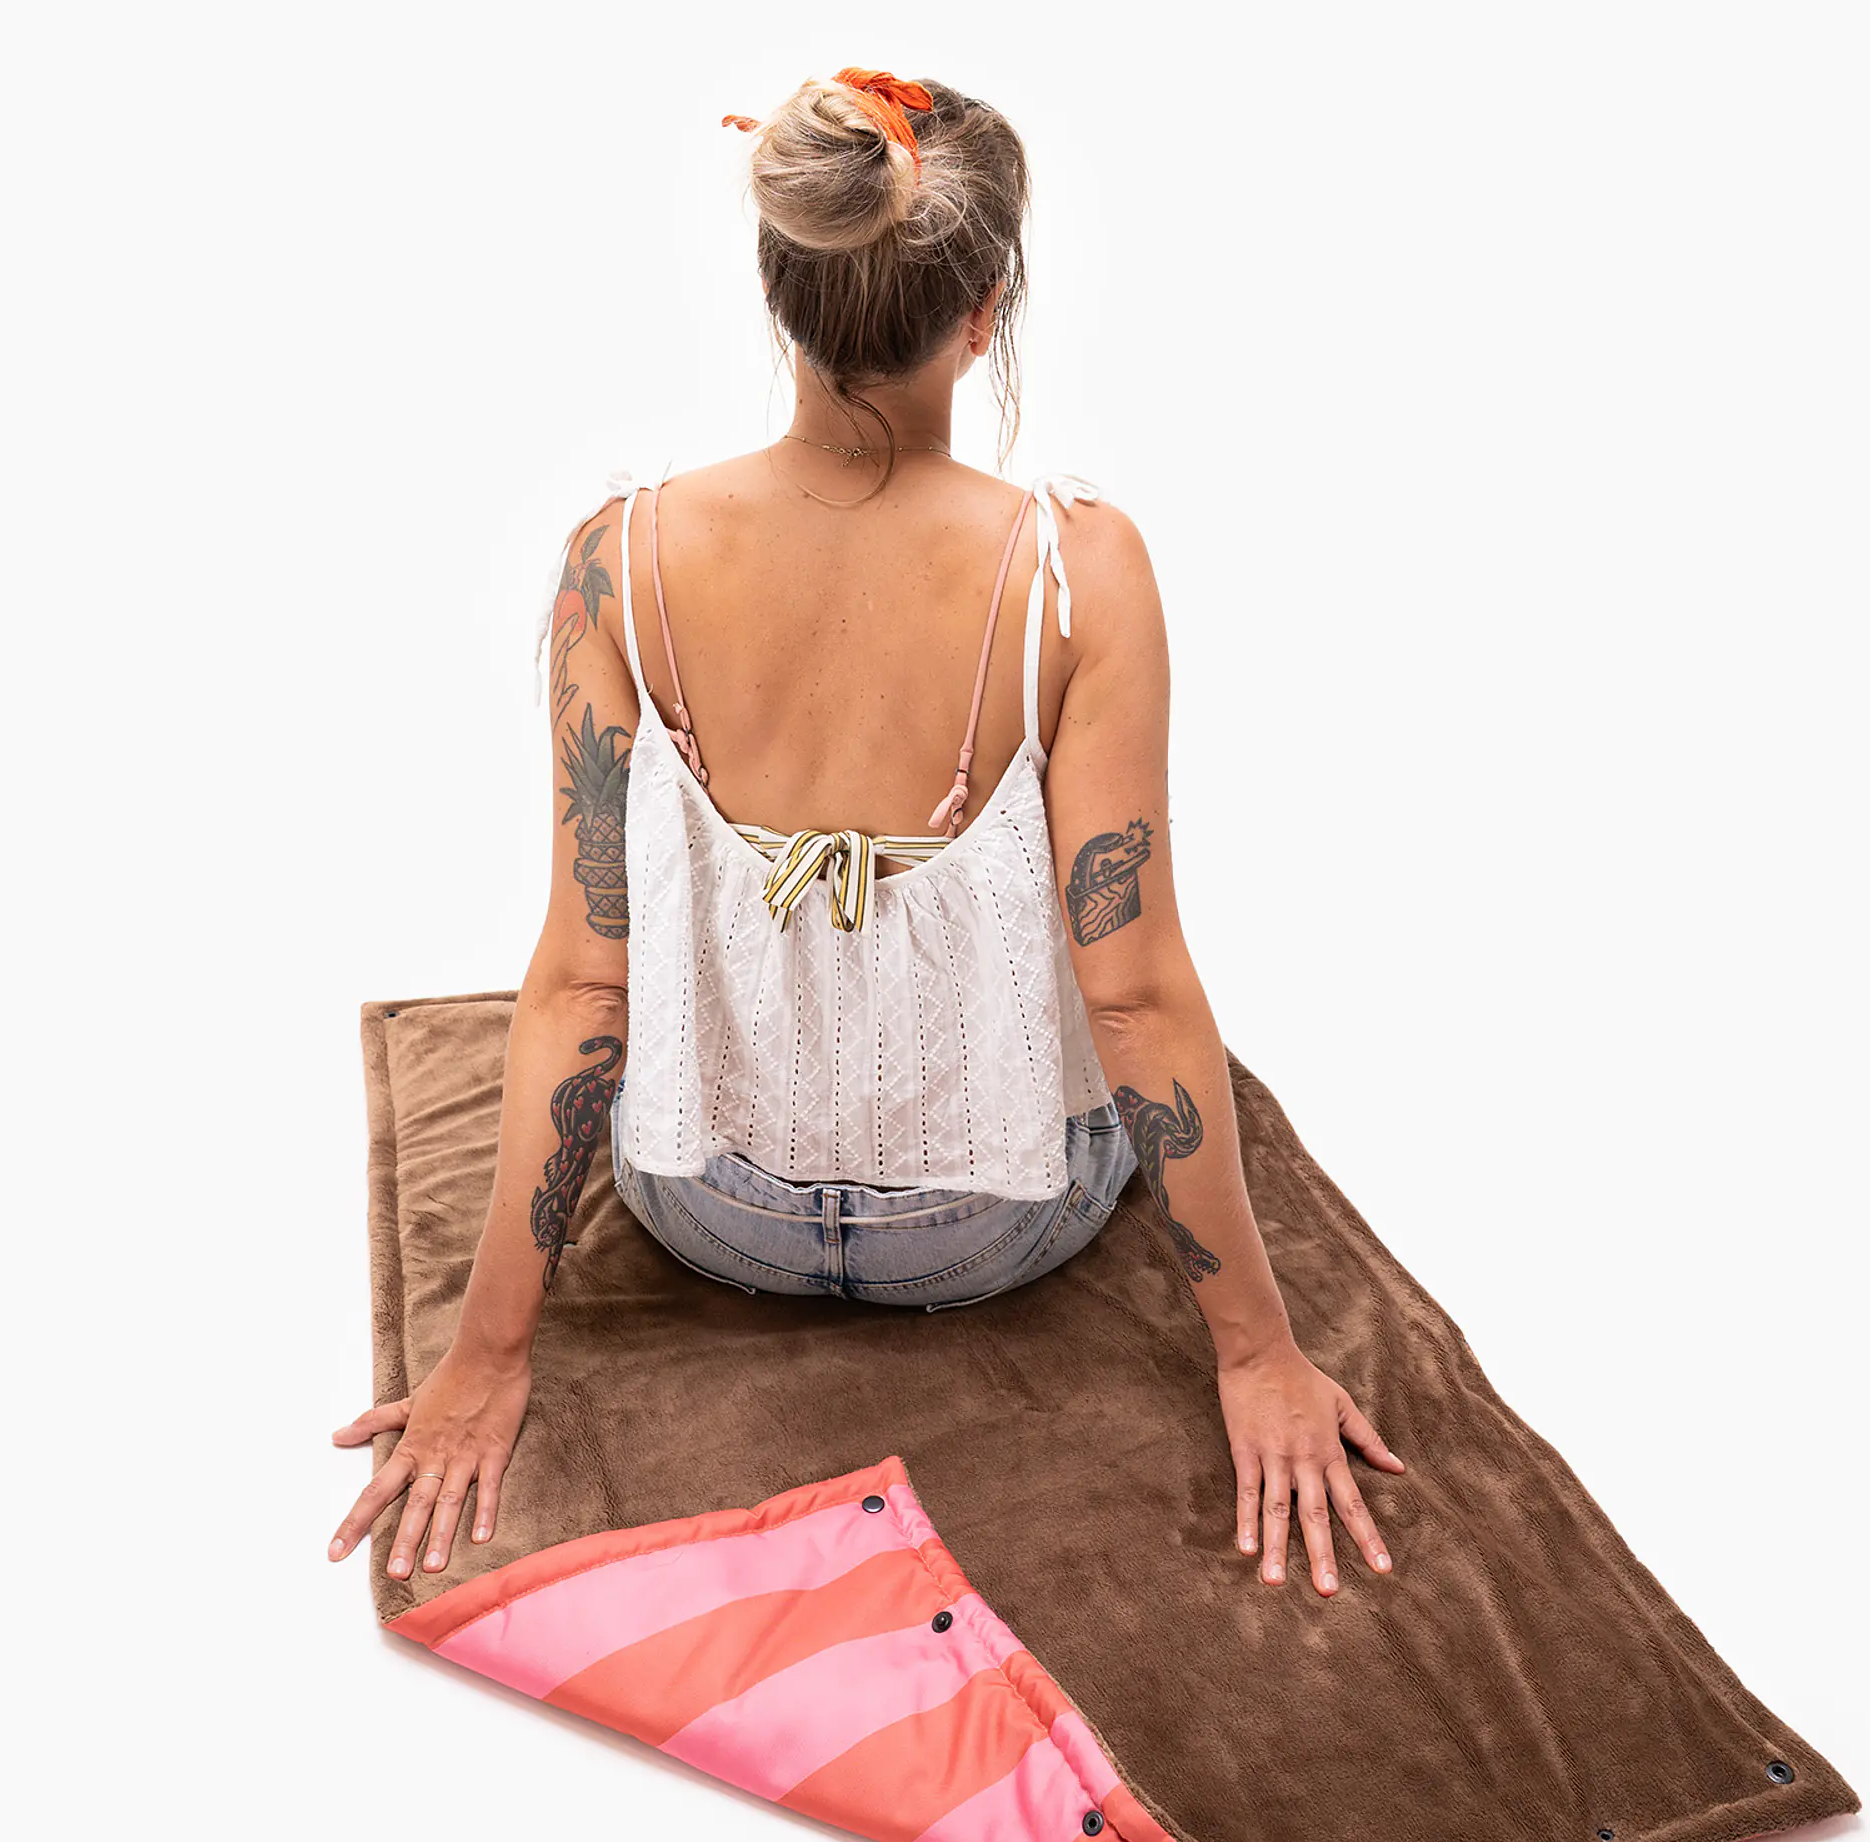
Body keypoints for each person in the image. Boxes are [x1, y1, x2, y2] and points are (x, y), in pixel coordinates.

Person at [329, 67, 1407, 1599]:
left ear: (781, 289)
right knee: (1150, 1039)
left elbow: (581, 983)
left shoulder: (616, 562)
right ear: (987, 310)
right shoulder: (1078, 574)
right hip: (991, 1228)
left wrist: (487, 1354)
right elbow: (1133, 998)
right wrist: (1258, 1356)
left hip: (711, 1209)